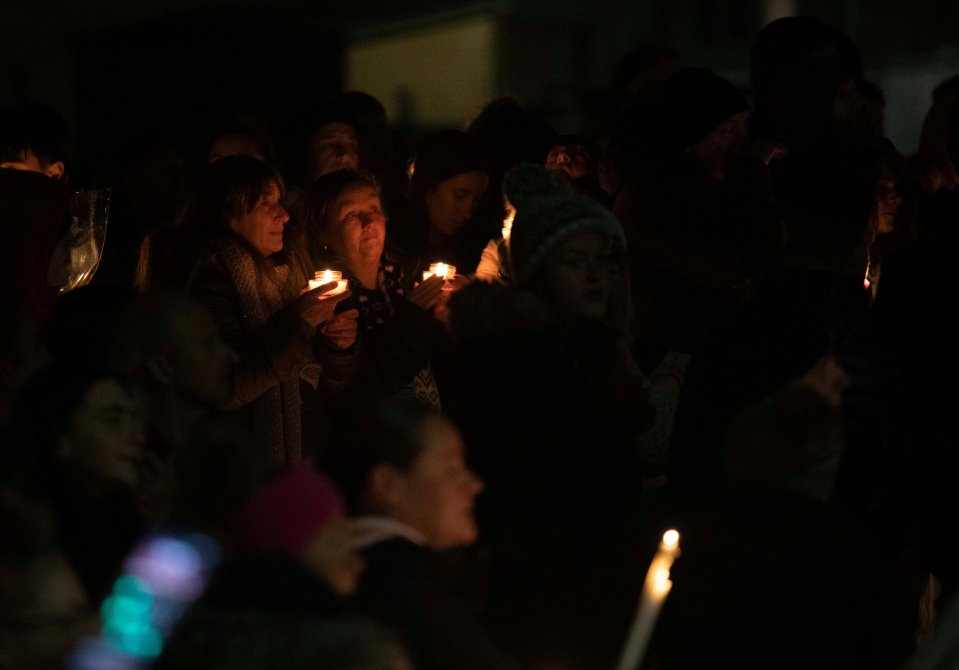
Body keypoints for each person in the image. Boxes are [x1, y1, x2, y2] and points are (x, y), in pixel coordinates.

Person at [447, 180, 654, 669]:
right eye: (573, 262)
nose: (593, 277)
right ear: (537, 272)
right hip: (552, 585)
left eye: (603, 262)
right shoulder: (530, 359)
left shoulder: (592, 348)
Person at [137, 155, 358, 465]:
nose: (283, 215)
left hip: (301, 460)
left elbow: (321, 384)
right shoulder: (205, 277)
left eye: (280, 201)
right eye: (266, 204)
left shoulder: (286, 275)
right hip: (237, 465)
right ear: (228, 213)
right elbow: (226, 386)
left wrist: (338, 347)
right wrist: (296, 321)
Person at [330, 399, 519, 670]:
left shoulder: (358, 579)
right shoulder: (403, 596)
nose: (475, 485)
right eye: (451, 469)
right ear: (388, 485)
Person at [300, 168, 453, 413]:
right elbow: (354, 392)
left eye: (374, 210)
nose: (369, 222)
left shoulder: (407, 277)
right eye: (351, 215)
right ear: (324, 233)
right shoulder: (327, 301)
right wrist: (411, 321)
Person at [391, 130, 490, 273]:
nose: (468, 213)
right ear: (428, 184)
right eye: (459, 196)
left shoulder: (475, 250)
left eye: (476, 199)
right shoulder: (391, 249)